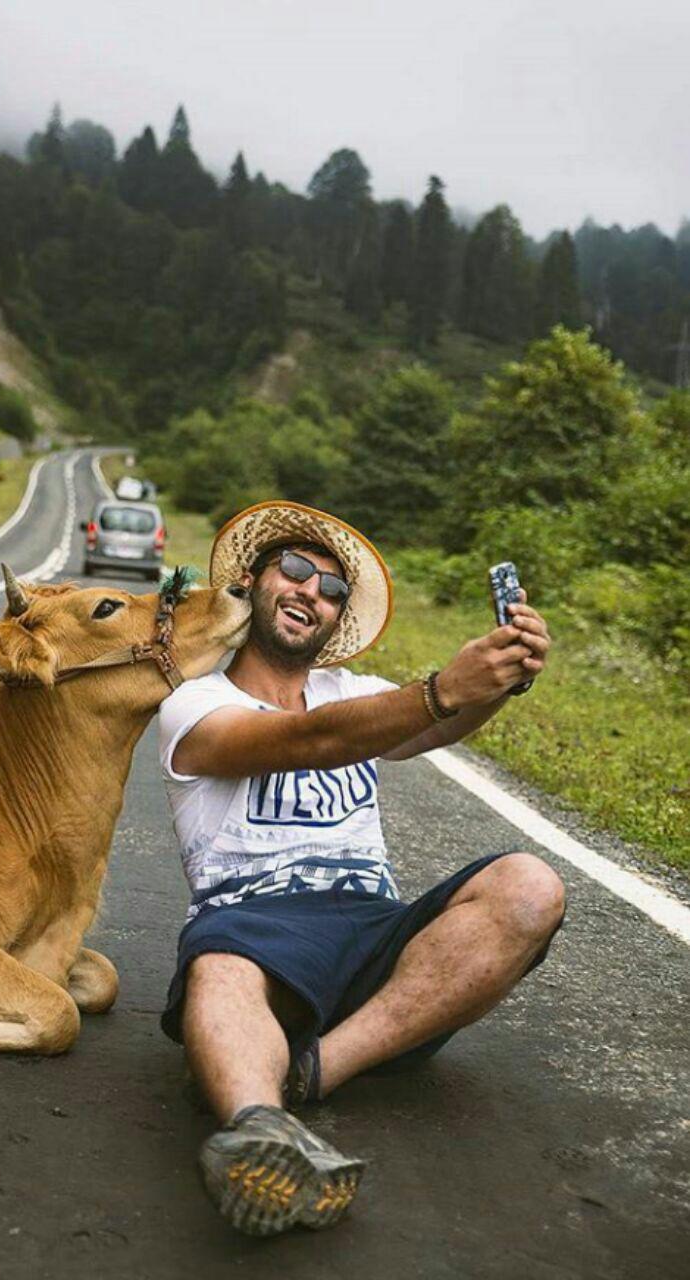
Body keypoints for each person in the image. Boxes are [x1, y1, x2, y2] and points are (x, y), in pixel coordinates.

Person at [156, 501, 563, 1237]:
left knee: (531, 885)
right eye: (299, 570)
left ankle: (309, 1071)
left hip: (373, 927)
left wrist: (501, 678)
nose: (314, 591)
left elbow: (433, 722)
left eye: (333, 590)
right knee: (220, 966)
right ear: (253, 580)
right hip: (255, 929)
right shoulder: (195, 703)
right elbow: (310, 740)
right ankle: (260, 1131)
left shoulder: (358, 694)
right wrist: (440, 689)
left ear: (335, 618)